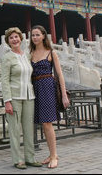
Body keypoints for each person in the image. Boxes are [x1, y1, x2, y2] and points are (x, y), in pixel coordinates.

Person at [1, 27, 42, 169]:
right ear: (8, 41)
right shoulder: (7, 57)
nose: (14, 40)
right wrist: (7, 101)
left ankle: (30, 157)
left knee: (29, 128)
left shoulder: (27, 56)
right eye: (11, 38)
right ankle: (17, 159)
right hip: (14, 97)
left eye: (16, 37)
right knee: (14, 130)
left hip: (29, 96)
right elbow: (4, 80)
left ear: (21, 38)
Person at [29, 25, 70, 169]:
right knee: (43, 124)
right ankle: (51, 154)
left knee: (47, 123)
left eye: (37, 35)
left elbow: (59, 74)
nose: (35, 37)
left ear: (43, 36)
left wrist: (64, 95)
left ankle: (54, 155)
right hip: (35, 89)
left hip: (47, 88)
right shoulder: (30, 53)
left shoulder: (51, 52)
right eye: (33, 35)